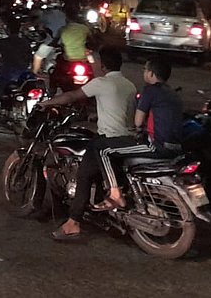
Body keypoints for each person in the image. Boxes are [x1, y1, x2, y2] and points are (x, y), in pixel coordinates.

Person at [40, 46, 138, 241]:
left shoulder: (101, 83)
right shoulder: (130, 85)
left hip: (108, 140)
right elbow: (121, 112)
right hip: (128, 138)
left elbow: (72, 96)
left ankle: (73, 223)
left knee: (84, 175)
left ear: (103, 66)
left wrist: (47, 103)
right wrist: (96, 116)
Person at [95, 57, 185, 211]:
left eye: (145, 69)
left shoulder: (151, 90)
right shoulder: (173, 93)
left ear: (151, 73)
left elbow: (137, 122)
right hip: (177, 147)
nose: (144, 72)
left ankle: (115, 194)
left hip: (157, 146)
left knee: (103, 149)